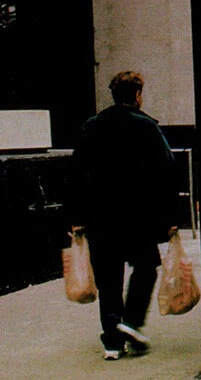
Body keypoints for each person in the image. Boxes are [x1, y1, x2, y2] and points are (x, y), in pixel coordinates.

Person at [69, 71, 179, 360]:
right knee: (145, 267)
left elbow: (76, 173)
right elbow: (166, 172)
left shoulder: (91, 126)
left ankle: (112, 343)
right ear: (138, 94)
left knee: (108, 278)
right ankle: (130, 321)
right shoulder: (147, 127)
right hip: (137, 217)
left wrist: (77, 217)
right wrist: (170, 217)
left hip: (99, 217)